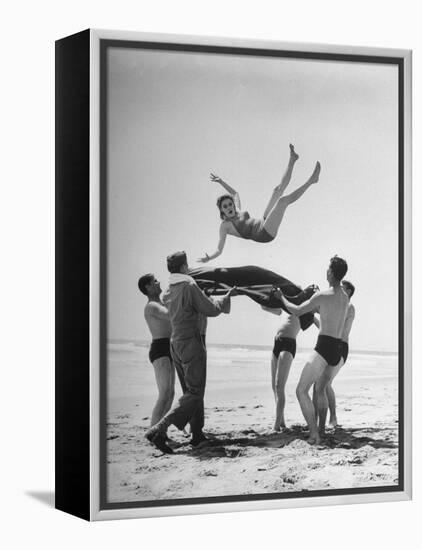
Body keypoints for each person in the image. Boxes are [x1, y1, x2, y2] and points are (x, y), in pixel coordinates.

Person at [145, 251, 236, 454]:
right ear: (185, 267)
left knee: (191, 392)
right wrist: (225, 298)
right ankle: (160, 427)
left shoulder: (169, 290)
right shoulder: (189, 285)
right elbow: (210, 309)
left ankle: (197, 434)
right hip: (191, 343)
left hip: (174, 344)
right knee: (195, 392)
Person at [198, 144, 320, 262]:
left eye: (230, 204)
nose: (229, 207)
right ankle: (311, 181)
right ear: (222, 210)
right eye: (225, 206)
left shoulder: (238, 211)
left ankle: (292, 159)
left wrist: (221, 182)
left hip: (263, 221)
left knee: (277, 190)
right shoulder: (225, 226)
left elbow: (235, 194)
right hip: (264, 234)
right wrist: (209, 258)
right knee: (282, 202)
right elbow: (219, 249)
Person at [276, 256, 349, 445]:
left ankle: (314, 434)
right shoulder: (344, 296)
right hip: (337, 349)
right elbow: (327, 312)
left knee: (301, 390)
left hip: (324, 346)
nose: (326, 271)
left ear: (332, 273)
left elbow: (297, 310)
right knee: (321, 389)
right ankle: (322, 430)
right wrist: (315, 305)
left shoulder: (323, 295)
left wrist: (281, 297)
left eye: (328, 269)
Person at [312, 280, 356, 428]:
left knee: (324, 384)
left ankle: (332, 419)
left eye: (343, 288)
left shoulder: (349, 307)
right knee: (319, 384)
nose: (339, 289)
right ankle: (317, 419)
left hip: (340, 347)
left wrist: (319, 308)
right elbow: (327, 329)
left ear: (348, 291)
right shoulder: (340, 306)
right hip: (332, 344)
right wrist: (315, 316)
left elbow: (338, 330)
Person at [138, 273, 175, 426]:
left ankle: (161, 430)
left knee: (170, 394)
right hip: (160, 348)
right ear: (148, 287)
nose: (158, 282)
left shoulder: (160, 302)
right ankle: (153, 431)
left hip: (168, 347)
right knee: (164, 393)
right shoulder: (152, 306)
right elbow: (170, 315)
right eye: (155, 281)